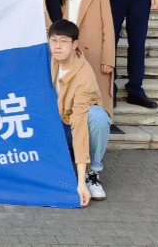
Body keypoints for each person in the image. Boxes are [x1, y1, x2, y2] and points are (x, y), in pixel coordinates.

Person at [49, 19, 111, 205]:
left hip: (72, 125)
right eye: (53, 40)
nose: (57, 46)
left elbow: (79, 124)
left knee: (98, 117)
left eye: (64, 41)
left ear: (74, 44)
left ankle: (92, 173)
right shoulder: (49, 59)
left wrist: (80, 182)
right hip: (54, 125)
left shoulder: (84, 76)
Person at [61, 0, 115, 117]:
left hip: (94, 53)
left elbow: (108, 28)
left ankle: (101, 126)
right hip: (69, 53)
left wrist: (108, 58)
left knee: (98, 95)